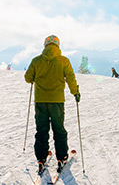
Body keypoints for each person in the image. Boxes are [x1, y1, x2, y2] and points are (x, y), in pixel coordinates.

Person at [25, 35, 80, 172]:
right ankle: (61, 157)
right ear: (57, 46)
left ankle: (41, 159)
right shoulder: (63, 60)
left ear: (45, 45)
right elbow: (70, 78)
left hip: (40, 101)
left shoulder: (36, 60)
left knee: (42, 130)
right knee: (59, 129)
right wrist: (75, 92)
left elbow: (28, 78)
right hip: (57, 102)